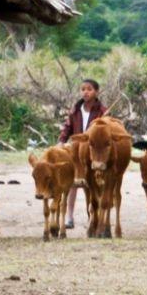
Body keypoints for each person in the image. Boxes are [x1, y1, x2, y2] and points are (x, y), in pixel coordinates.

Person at [58, 79, 105, 230]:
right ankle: (69, 217)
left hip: (93, 152)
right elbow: (67, 127)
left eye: (89, 89)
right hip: (76, 150)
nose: (85, 92)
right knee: (73, 183)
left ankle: (92, 216)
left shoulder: (102, 111)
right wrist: (61, 141)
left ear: (96, 92)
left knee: (92, 184)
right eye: (83, 89)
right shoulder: (75, 110)